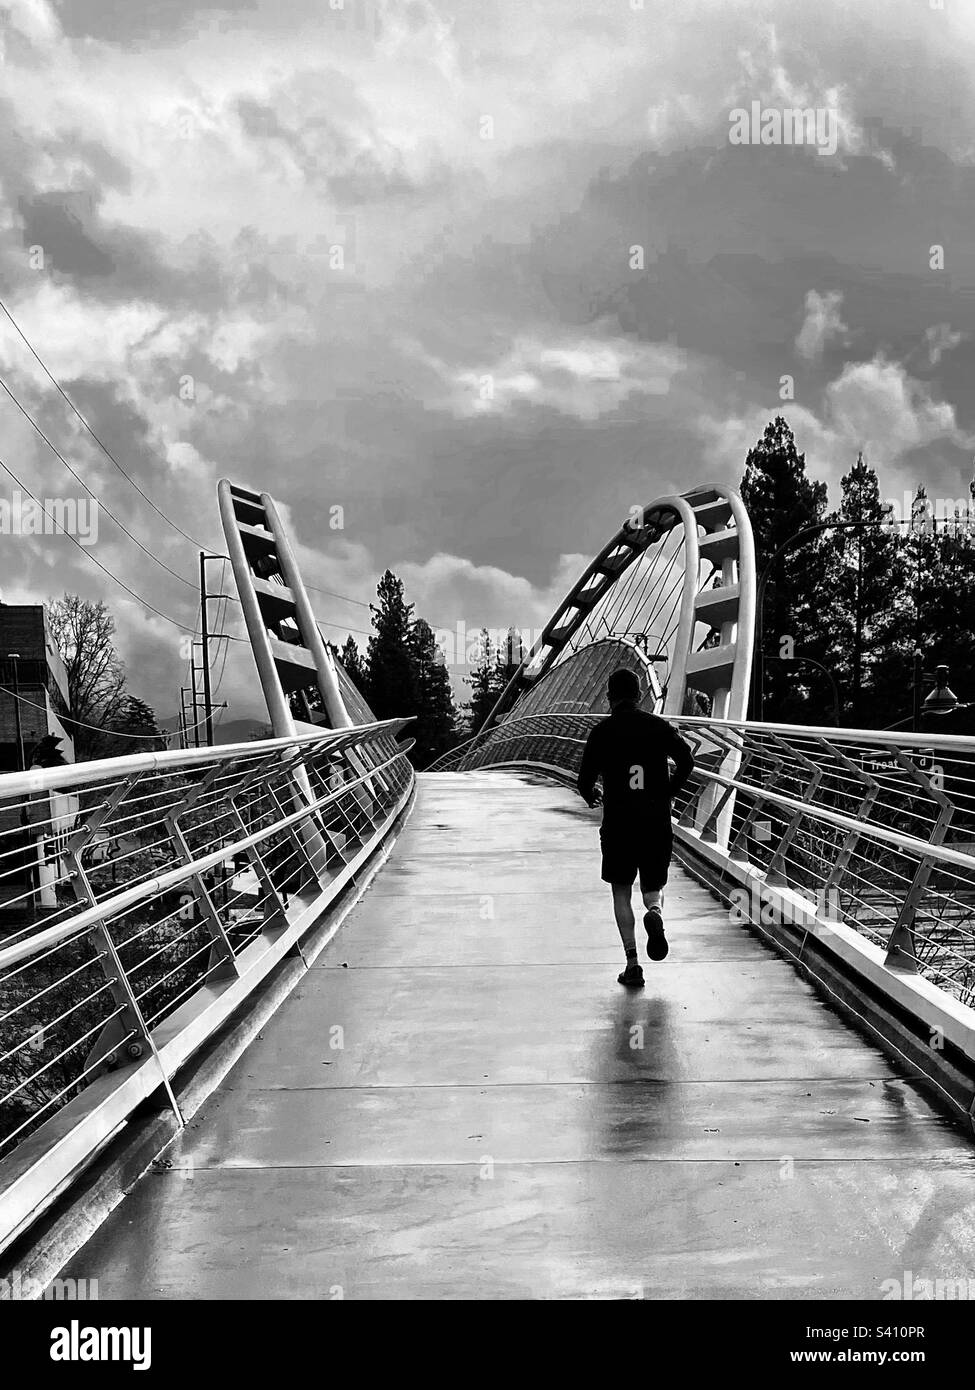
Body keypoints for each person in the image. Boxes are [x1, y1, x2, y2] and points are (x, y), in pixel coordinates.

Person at [577, 667, 695, 987]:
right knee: (652, 887)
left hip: (619, 824)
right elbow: (686, 760)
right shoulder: (658, 726)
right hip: (655, 821)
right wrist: (668, 792)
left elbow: (584, 780)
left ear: (609, 697)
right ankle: (655, 912)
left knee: (621, 891)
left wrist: (593, 794)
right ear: (640, 696)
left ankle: (632, 963)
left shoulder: (602, 732)